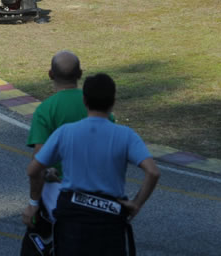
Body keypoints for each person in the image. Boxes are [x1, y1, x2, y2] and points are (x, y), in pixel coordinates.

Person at [25, 73, 160, 256]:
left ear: (84, 101)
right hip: (109, 219)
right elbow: (153, 172)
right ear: (113, 102)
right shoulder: (126, 135)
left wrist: (40, 191)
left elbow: (33, 170)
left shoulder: (66, 132)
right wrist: (136, 204)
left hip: (72, 219)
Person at [20, 51, 88, 256]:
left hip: (57, 194)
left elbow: (38, 164)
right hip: (94, 193)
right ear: (80, 74)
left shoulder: (46, 110)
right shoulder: (97, 108)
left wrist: (33, 203)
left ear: (50, 74)